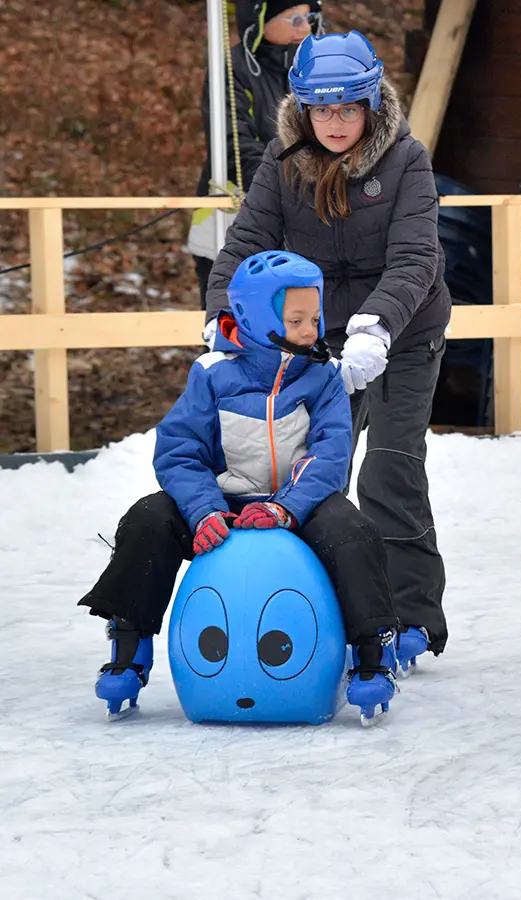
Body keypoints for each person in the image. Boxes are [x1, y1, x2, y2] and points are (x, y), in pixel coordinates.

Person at [204, 31, 452, 671]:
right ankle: (323, 607)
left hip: (402, 334)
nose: (335, 123)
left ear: (371, 105)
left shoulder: (405, 161)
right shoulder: (282, 164)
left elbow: (417, 257)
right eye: (322, 110)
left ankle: (412, 615)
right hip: (315, 339)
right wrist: (220, 317)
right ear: (304, 109)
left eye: (348, 109)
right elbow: (243, 245)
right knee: (316, 478)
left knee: (390, 469)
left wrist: (377, 327)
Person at [80, 251, 399, 722]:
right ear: (257, 318)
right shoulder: (212, 374)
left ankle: (373, 653)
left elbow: (331, 455)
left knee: (351, 531)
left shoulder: (323, 377)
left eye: (316, 317)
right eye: (297, 320)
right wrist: (204, 511)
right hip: (222, 507)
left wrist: (285, 508)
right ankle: (129, 643)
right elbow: (179, 451)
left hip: (297, 507)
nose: (312, 330)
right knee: (148, 518)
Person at [187, 2, 322, 301]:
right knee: (234, 323)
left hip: (308, 222)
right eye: (295, 19)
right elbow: (234, 144)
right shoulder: (235, 68)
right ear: (260, 22)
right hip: (235, 221)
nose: (305, 27)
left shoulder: (321, 69)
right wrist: (295, 186)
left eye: (310, 18)